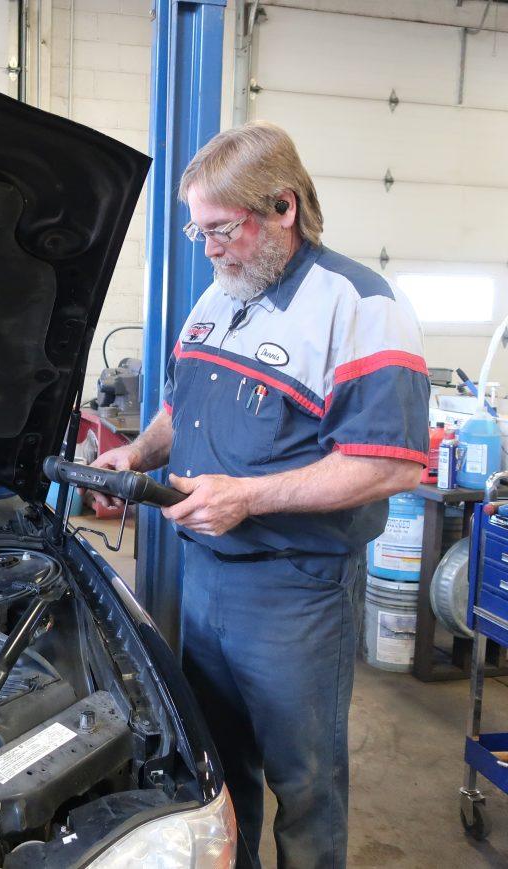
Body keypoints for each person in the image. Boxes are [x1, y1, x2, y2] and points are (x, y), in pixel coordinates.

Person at [90, 121, 429, 868]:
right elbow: (183, 407)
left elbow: (392, 464)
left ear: (283, 206)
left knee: (304, 785)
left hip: (292, 593)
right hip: (198, 574)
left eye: (221, 229)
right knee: (215, 772)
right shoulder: (221, 293)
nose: (208, 248)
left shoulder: (360, 304)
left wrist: (249, 497)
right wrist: (136, 452)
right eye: (198, 230)